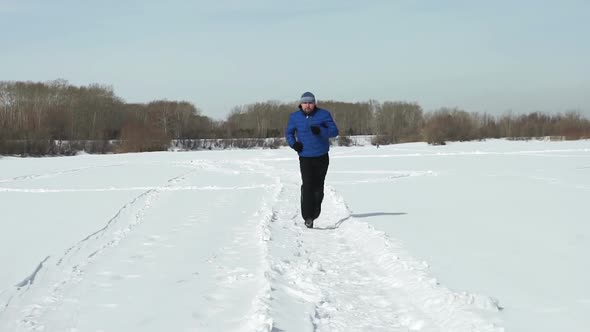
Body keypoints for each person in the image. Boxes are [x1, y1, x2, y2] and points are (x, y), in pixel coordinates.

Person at [286, 92, 339, 228]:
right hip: (305, 157)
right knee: (307, 186)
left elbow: (334, 131)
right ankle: (308, 216)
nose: (307, 105)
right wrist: (294, 144)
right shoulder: (295, 117)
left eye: (310, 103)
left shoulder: (324, 114)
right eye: (305, 103)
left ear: (314, 103)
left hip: (321, 156)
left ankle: (315, 213)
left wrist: (321, 130)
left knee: (318, 187)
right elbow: (289, 133)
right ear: (301, 104)